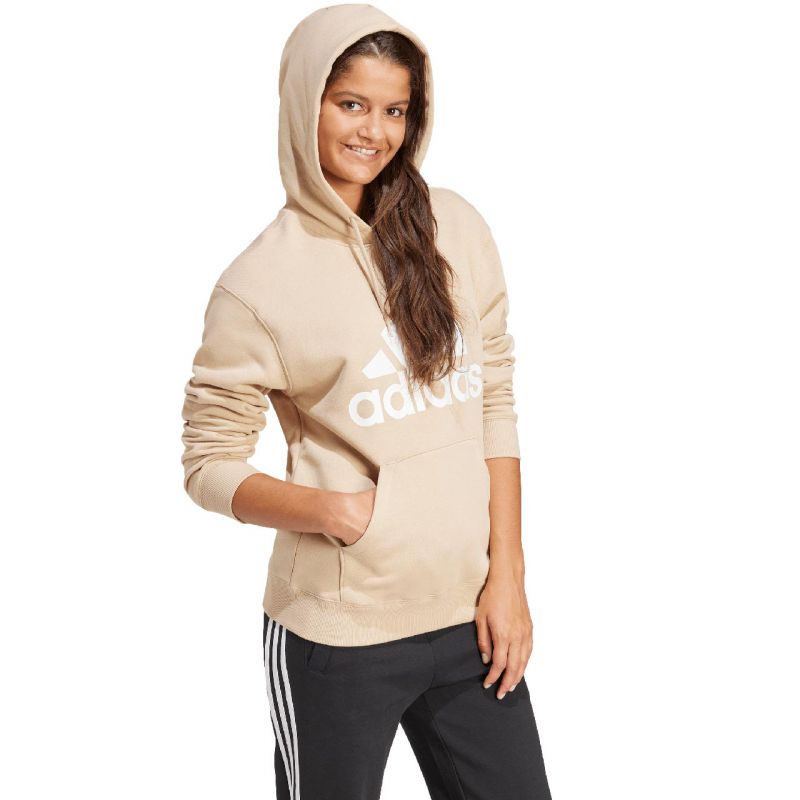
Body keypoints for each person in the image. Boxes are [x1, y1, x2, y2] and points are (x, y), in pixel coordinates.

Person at [181, 4, 552, 798]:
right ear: (304, 102)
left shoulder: (456, 228)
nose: (374, 132)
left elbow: (494, 399)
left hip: (472, 616)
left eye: (395, 110)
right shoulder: (257, 285)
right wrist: (339, 513)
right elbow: (208, 465)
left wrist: (509, 577)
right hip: (341, 634)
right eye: (351, 103)